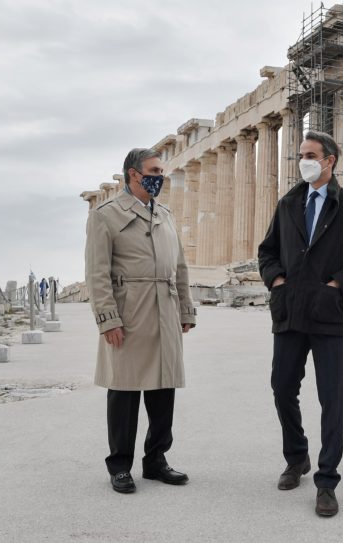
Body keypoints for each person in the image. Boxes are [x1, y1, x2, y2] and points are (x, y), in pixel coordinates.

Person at [257, 130, 343, 517]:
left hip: (330, 314)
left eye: (310, 154)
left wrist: (336, 286)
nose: (303, 161)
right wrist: (277, 280)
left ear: (329, 159)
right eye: (300, 155)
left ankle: (327, 481)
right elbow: (267, 252)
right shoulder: (288, 203)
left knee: (331, 399)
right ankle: (297, 458)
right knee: (282, 388)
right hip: (291, 311)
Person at [85, 147, 197, 494]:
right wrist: (107, 319)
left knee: (164, 389)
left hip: (164, 308)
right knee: (124, 391)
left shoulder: (165, 214)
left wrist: (186, 309)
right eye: (154, 170)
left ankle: (156, 460)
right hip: (129, 311)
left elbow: (178, 265)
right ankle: (120, 465)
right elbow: (96, 273)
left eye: (161, 171)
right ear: (134, 173)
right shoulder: (105, 214)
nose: (160, 176)